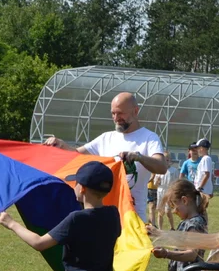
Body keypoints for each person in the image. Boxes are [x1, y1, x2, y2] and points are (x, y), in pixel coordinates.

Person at [43, 92, 167, 224]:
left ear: (135, 111)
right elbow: (76, 154)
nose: (116, 118)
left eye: (120, 113)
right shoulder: (106, 138)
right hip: (103, 221)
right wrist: (61, 144)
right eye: (113, 113)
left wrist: (138, 157)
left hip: (132, 220)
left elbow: (161, 166)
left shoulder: (149, 138)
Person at [155, 152, 178, 230]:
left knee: (168, 211)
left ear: (170, 160)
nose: (166, 162)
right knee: (160, 211)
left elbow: (176, 182)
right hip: (160, 191)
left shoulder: (173, 170)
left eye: (168, 160)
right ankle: (160, 229)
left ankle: (172, 227)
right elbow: (155, 183)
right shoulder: (159, 170)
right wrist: (157, 181)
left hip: (169, 191)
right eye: (164, 160)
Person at [192, 138, 214, 210]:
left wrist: (200, 188)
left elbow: (206, 174)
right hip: (202, 189)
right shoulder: (205, 159)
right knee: (201, 209)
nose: (197, 150)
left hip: (202, 190)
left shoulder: (206, 159)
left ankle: (203, 221)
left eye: (198, 148)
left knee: (200, 209)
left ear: (202, 148)